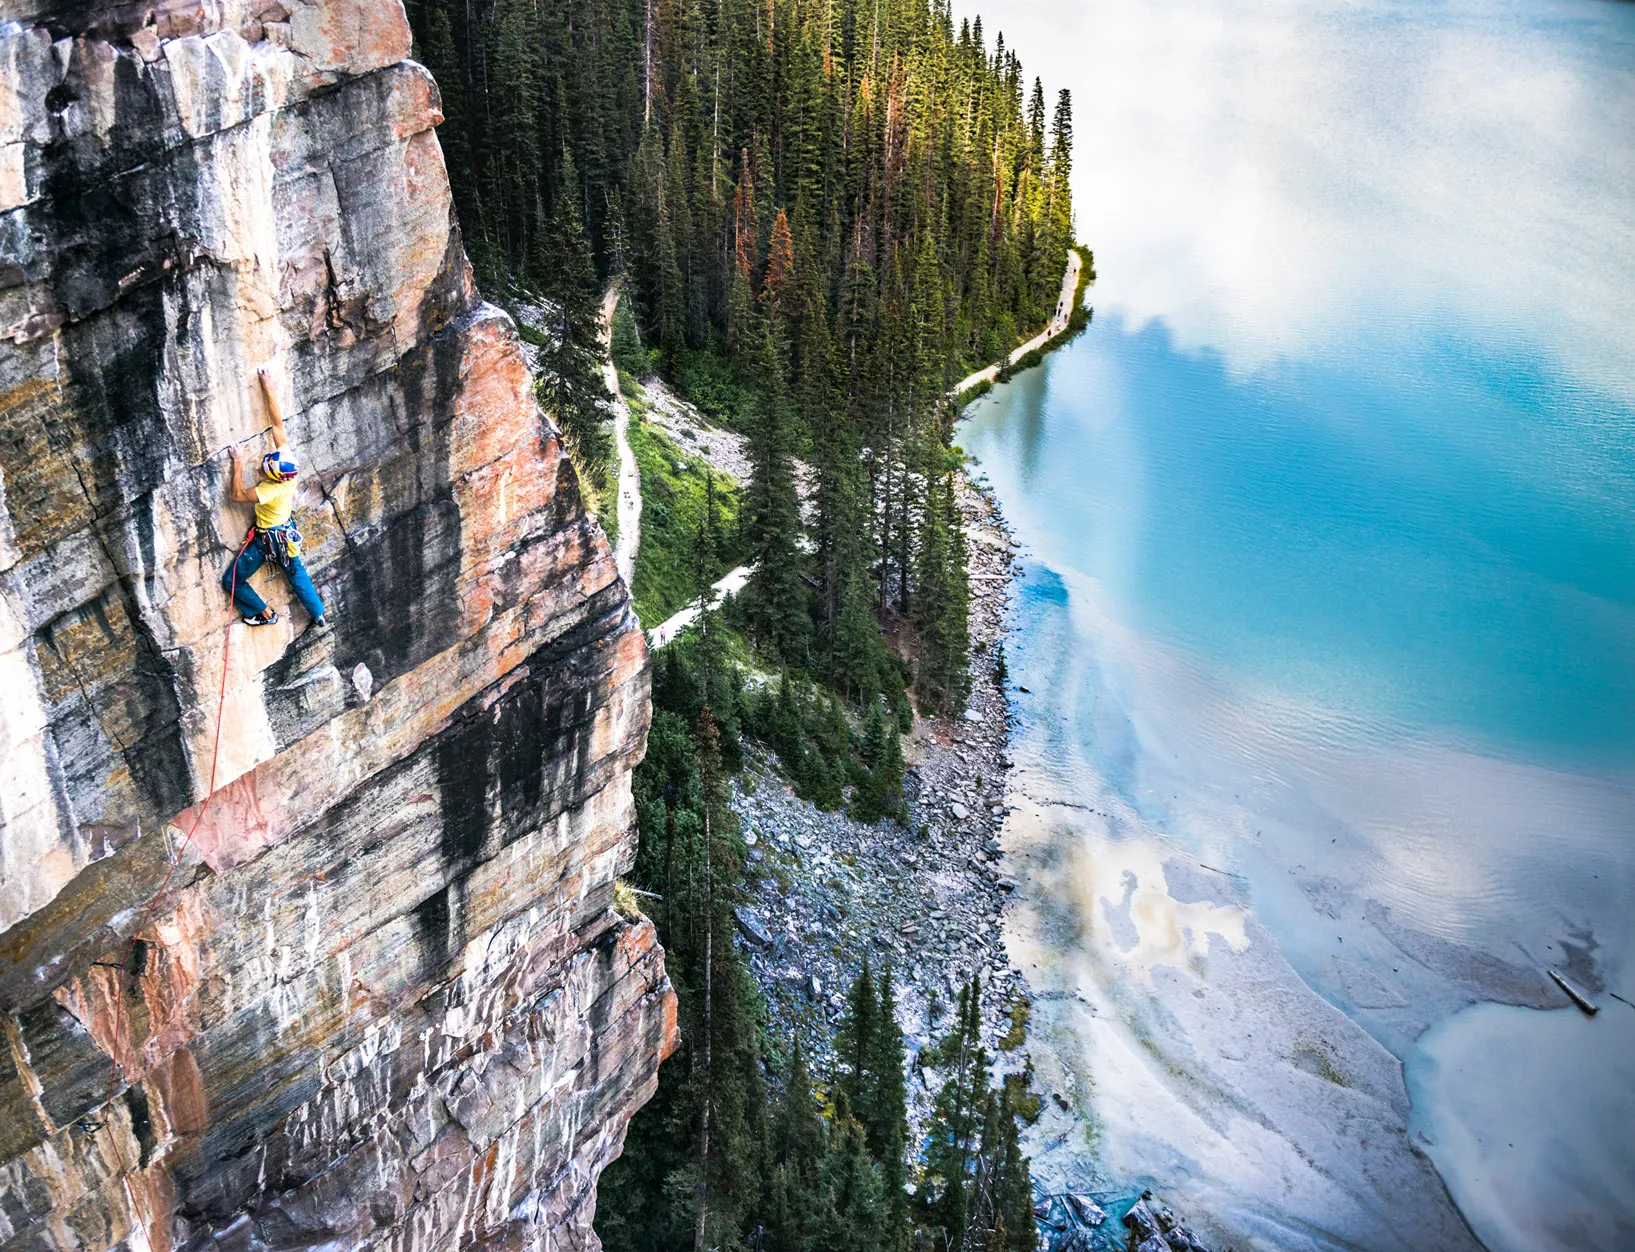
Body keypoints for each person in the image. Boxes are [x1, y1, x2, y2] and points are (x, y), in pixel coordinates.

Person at [221, 368, 327, 629]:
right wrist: (267, 385)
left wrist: (238, 463)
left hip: (266, 540)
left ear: (275, 477)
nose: (261, 468)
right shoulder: (287, 467)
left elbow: (236, 495)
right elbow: (277, 424)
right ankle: (319, 614)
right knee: (297, 573)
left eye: (265, 469)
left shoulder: (270, 491)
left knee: (231, 581)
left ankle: (262, 612)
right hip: (285, 536)